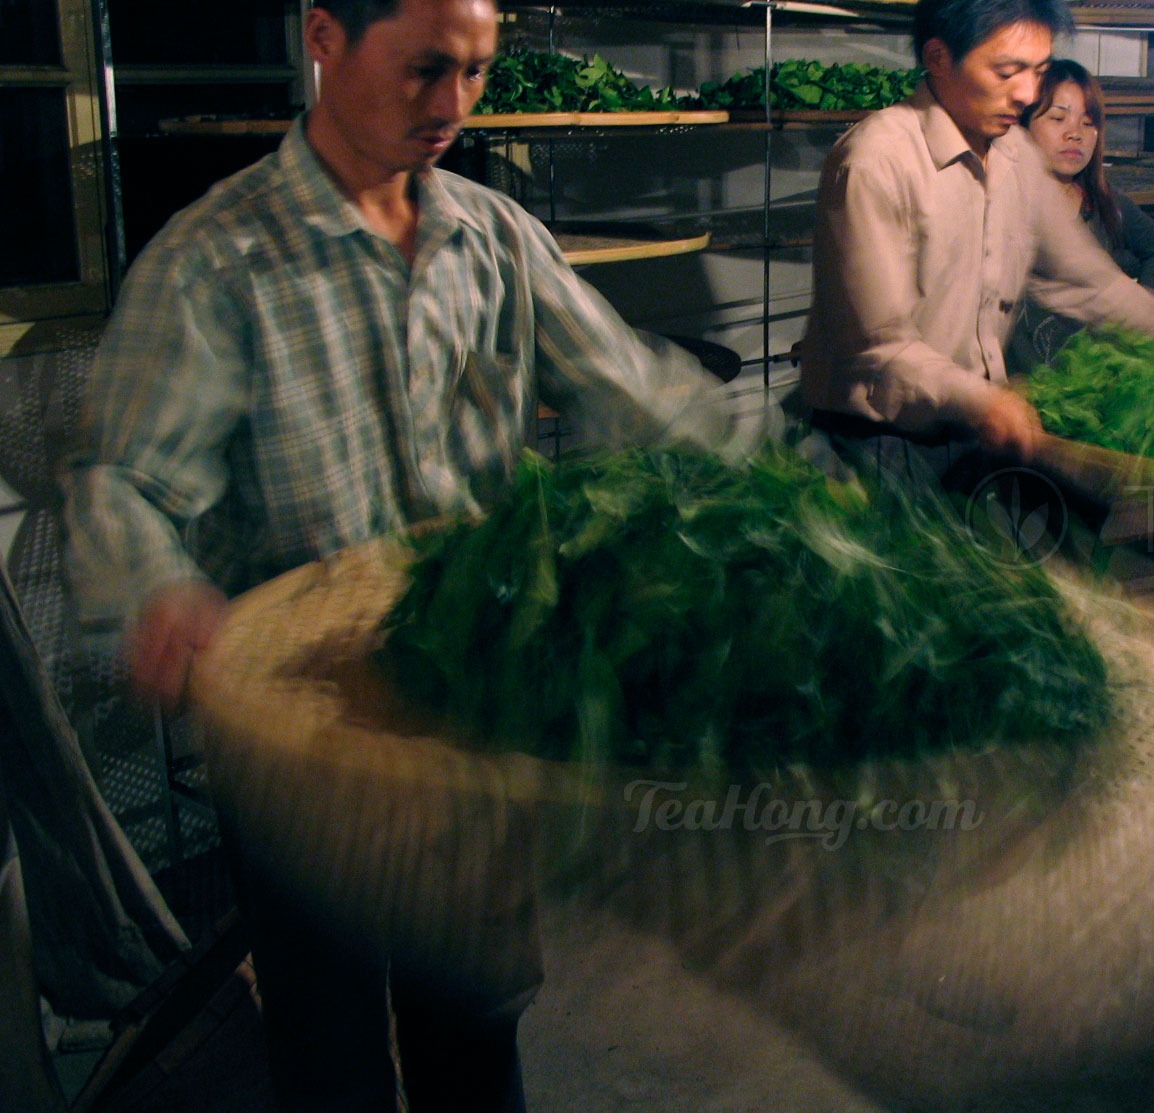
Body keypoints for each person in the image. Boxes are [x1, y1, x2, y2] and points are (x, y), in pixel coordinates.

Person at [61, 0, 764, 1108]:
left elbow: (630, 387)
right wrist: (156, 587)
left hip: (461, 701)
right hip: (295, 729)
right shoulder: (217, 261)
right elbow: (121, 479)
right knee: (326, 1033)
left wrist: (779, 473)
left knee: (474, 1018)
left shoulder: (490, 235)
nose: (453, 106)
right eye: (424, 68)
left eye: (477, 72)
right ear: (325, 38)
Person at [799, 0, 1154, 480]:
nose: (1027, 94)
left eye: (1038, 72)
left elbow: (1089, 280)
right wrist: (986, 400)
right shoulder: (876, 161)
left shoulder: (1016, 157)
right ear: (939, 58)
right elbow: (880, 346)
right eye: (1007, 72)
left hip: (970, 437)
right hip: (873, 448)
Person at [1009, 58, 1154, 369]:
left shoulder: (1105, 205)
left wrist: (1136, 306)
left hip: (1088, 380)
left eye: (1088, 123)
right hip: (1015, 390)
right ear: (1023, 125)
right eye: (1058, 118)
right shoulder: (1003, 205)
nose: (1075, 134)